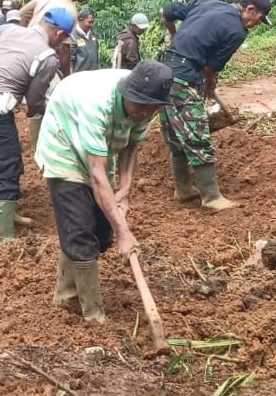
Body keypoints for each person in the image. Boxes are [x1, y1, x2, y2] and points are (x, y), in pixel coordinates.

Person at [35, 60, 173, 322]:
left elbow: (131, 147)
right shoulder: (97, 104)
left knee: (101, 231)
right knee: (80, 229)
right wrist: (124, 232)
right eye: (139, 107)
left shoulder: (147, 105)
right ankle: (93, 314)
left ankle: (65, 293)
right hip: (63, 145)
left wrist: (125, 190)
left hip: (99, 150)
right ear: (126, 92)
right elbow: (97, 174)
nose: (144, 113)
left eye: (151, 109)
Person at [0, 7, 75, 243]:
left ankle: (8, 213)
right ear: (58, 32)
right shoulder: (47, 57)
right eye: (64, 38)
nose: (63, 43)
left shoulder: (9, 30)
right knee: (8, 165)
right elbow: (33, 101)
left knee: (7, 157)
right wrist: (48, 110)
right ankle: (3, 236)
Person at [159, 0, 272, 211]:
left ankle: (182, 190)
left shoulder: (206, 3)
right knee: (197, 135)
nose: (256, 24)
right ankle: (211, 197)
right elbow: (209, 68)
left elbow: (166, 11)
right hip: (184, 77)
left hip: (162, 73)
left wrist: (173, 35)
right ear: (249, 10)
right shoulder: (237, 31)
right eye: (258, 19)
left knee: (175, 135)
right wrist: (209, 84)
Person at [18, 0, 101, 76]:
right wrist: (66, 77)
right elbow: (63, 50)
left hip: (22, 54)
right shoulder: (69, 10)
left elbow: (21, 17)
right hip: (40, 61)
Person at [70, 7, 100, 73]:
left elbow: (96, 56)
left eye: (93, 22)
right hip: (79, 77)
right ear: (80, 19)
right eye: (89, 22)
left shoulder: (93, 35)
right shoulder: (72, 36)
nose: (91, 25)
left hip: (92, 76)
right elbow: (70, 62)